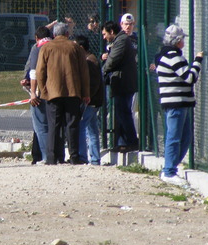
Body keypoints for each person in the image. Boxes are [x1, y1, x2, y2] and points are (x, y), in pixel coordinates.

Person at [155, 24, 204, 186]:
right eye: (182, 39)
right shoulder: (173, 57)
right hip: (176, 103)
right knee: (175, 138)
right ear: (177, 41)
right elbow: (190, 78)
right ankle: (169, 171)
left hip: (179, 102)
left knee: (184, 137)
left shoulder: (167, 56)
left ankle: (170, 168)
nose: (183, 42)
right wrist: (197, 61)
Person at [35, 22, 90, 165]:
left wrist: (44, 90)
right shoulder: (75, 48)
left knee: (54, 125)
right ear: (67, 33)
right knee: (72, 125)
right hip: (73, 92)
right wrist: (85, 93)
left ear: (54, 34)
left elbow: (40, 72)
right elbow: (84, 72)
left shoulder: (46, 48)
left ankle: (52, 158)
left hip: (53, 93)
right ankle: (74, 156)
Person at [101, 18, 139, 153]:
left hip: (124, 83)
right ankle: (122, 143)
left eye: (105, 34)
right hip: (122, 82)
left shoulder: (121, 40)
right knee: (121, 113)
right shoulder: (120, 40)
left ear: (111, 31)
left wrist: (102, 71)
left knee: (124, 113)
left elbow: (113, 60)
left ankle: (132, 142)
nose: (104, 37)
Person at [74, 34, 104, 165]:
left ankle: (82, 156)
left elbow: (93, 83)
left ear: (81, 48)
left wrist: (86, 97)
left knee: (81, 126)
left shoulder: (89, 62)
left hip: (91, 101)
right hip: (94, 100)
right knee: (92, 130)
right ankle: (95, 158)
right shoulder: (90, 59)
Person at [26, 26, 52, 163]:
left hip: (42, 92)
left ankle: (46, 157)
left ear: (37, 38)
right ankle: (56, 156)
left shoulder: (38, 48)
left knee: (41, 126)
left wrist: (33, 93)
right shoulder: (57, 47)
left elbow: (34, 72)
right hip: (58, 91)